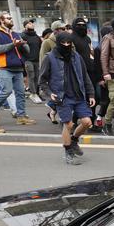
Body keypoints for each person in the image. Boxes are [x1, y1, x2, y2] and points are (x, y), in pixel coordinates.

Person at [38, 32, 95, 165]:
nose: (66, 45)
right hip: (62, 97)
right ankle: (68, 150)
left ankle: (74, 141)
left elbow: (85, 76)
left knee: (87, 122)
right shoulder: (50, 57)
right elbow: (42, 81)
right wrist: (49, 93)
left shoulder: (76, 56)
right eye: (63, 43)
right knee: (68, 124)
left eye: (69, 43)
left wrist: (91, 94)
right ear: (58, 43)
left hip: (78, 95)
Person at [0, 11, 35, 126]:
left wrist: (23, 44)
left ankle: (21, 116)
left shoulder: (15, 33)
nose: (11, 20)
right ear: (1, 21)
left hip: (18, 67)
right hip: (4, 67)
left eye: (11, 18)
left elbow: (27, 51)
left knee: (20, 93)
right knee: (6, 91)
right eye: (8, 18)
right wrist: (13, 45)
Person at [21, 19, 42, 104]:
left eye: (32, 23)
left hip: (36, 59)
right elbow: (21, 48)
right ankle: (33, 93)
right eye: (29, 23)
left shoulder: (36, 36)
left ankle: (35, 93)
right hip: (28, 60)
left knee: (37, 77)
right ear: (25, 26)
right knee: (31, 75)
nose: (32, 24)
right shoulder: (23, 36)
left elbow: (40, 47)